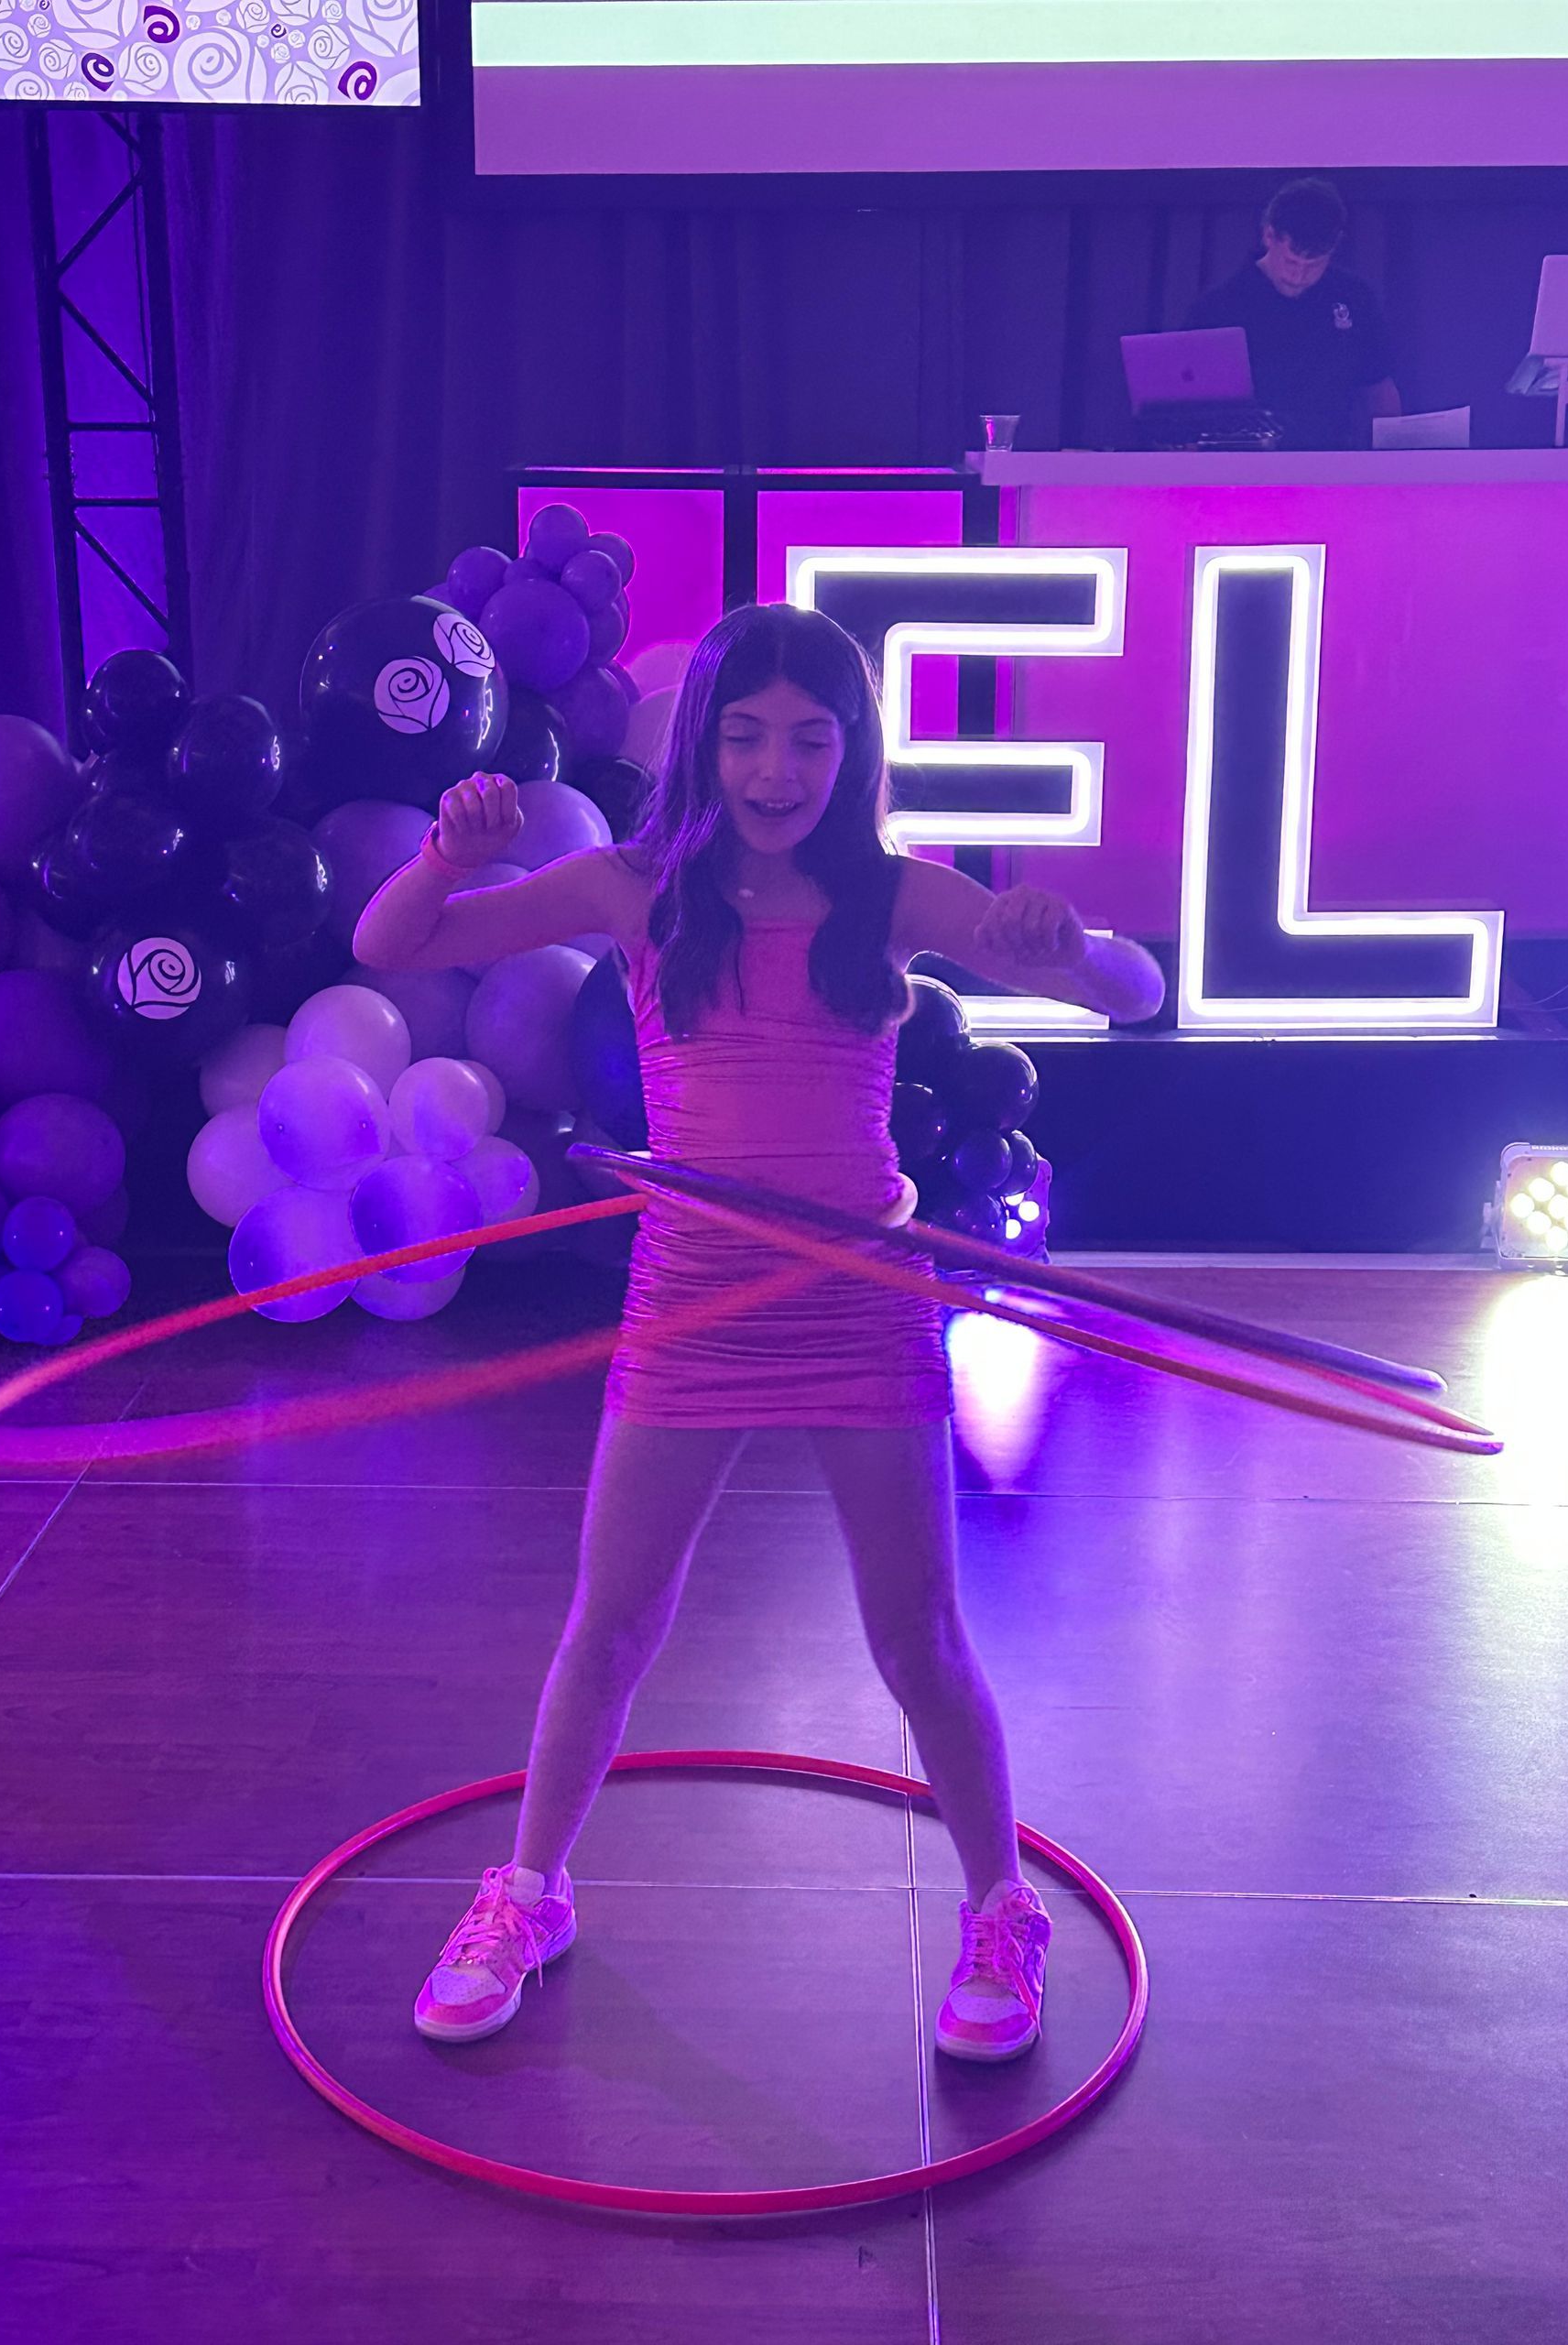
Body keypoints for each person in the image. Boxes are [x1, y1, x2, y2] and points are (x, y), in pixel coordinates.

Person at [354, 603, 1163, 2064]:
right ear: (702, 747)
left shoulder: (893, 896)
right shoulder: (632, 885)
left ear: (851, 753)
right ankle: (528, 1893)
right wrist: (447, 854)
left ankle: (999, 1908)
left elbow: (1133, 991)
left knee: (917, 1633)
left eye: (808, 737)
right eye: (744, 735)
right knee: (610, 1624)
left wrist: (1070, 945)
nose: (775, 768)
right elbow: (392, 942)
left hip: (858, 1299)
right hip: (693, 1300)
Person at [1187, 177, 1402, 449]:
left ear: (1334, 247)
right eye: (1291, 261)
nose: (1299, 275)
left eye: (1314, 264)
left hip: (1331, 465)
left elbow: (1378, 390)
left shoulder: (1355, 299)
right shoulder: (1220, 306)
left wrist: (1392, 461)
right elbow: (1188, 407)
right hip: (1241, 469)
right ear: (1268, 235)